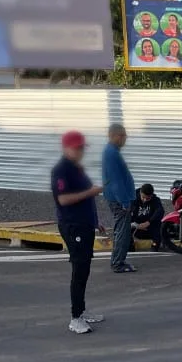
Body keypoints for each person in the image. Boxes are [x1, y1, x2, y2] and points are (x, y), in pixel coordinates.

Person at [51, 131, 106, 334]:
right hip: (72, 225)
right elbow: (63, 199)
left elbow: (86, 199)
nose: (81, 152)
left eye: (82, 148)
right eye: (77, 148)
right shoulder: (61, 170)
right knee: (79, 269)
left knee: (85, 268)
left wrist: (95, 220)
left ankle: (82, 310)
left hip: (84, 224)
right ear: (66, 148)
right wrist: (90, 192)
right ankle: (75, 317)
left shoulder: (77, 169)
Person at [102, 123, 136, 273]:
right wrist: (124, 201)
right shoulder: (111, 154)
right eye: (122, 135)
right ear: (114, 136)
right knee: (122, 231)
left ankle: (118, 260)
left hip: (118, 198)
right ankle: (118, 263)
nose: (125, 139)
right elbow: (116, 181)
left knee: (121, 230)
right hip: (119, 200)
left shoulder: (112, 152)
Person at [130, 184, 163, 252]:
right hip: (136, 226)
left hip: (149, 227)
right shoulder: (132, 197)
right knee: (125, 226)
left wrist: (148, 222)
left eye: (148, 198)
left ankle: (155, 245)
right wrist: (134, 224)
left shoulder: (155, 200)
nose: (145, 200)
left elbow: (160, 211)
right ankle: (130, 245)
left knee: (157, 223)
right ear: (140, 193)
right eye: (143, 197)